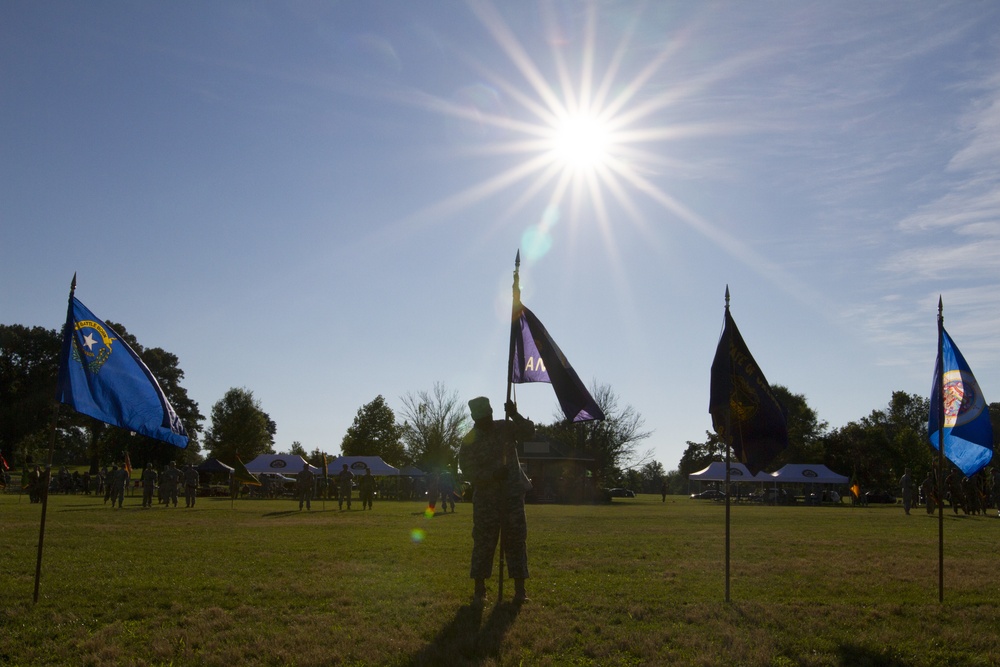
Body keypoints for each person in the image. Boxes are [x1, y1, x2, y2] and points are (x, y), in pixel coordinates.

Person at [458, 396, 535, 604]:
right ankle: (480, 591)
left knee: (516, 542)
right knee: (483, 543)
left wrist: (514, 414)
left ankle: (520, 591)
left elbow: (530, 432)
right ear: (475, 417)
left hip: (511, 496)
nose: (488, 420)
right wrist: (492, 475)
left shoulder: (505, 428)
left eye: (490, 415)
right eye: (484, 417)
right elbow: (467, 470)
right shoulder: (469, 441)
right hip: (486, 499)